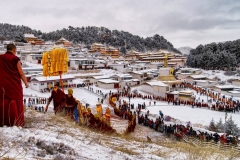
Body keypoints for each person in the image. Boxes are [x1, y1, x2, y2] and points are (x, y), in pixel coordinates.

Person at [0, 44, 28, 127]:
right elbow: (21, 73)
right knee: (15, 100)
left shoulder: (0, 57)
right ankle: (15, 122)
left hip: (2, 84)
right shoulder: (15, 59)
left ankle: (2, 122)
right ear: (14, 50)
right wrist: (26, 83)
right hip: (13, 84)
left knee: (3, 100)